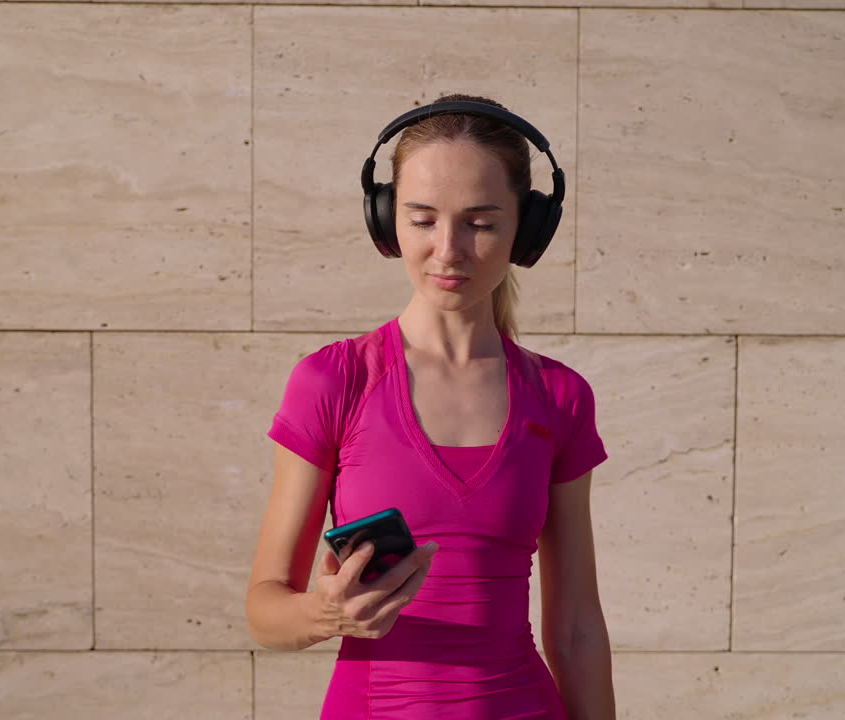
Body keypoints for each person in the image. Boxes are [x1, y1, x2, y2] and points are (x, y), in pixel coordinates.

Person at [246, 93, 616, 719]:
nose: (449, 249)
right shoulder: (334, 382)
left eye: (480, 222)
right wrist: (325, 613)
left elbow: (577, 626)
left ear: (526, 229)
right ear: (387, 221)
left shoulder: (559, 398)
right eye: (422, 220)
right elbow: (264, 612)